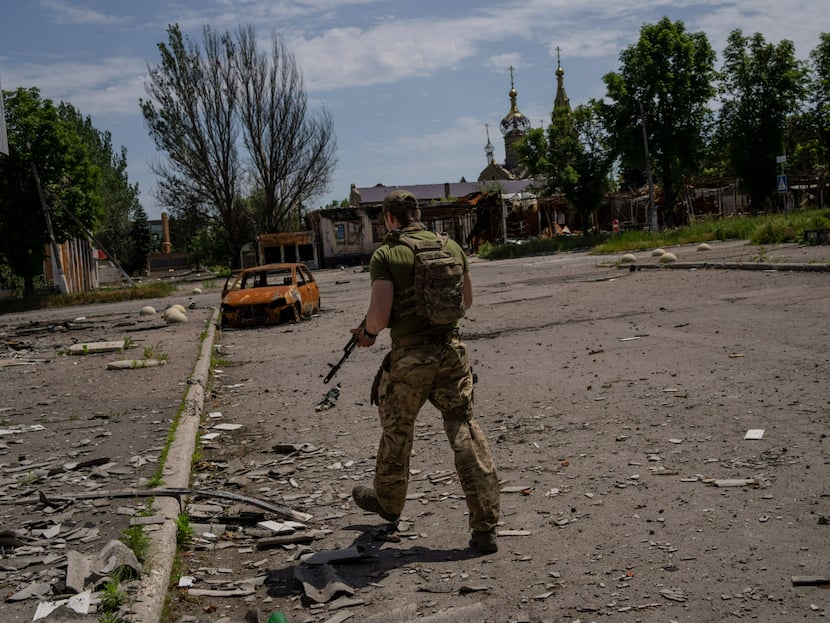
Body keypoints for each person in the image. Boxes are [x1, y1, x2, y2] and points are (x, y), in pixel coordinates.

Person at [350, 189, 501, 554]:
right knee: (463, 427)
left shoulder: (386, 255)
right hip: (451, 353)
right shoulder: (451, 248)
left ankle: (388, 502)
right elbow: (466, 301)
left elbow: (380, 316)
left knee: (397, 429)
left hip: (411, 359)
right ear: (417, 213)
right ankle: (485, 526)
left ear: (388, 218)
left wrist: (367, 334)